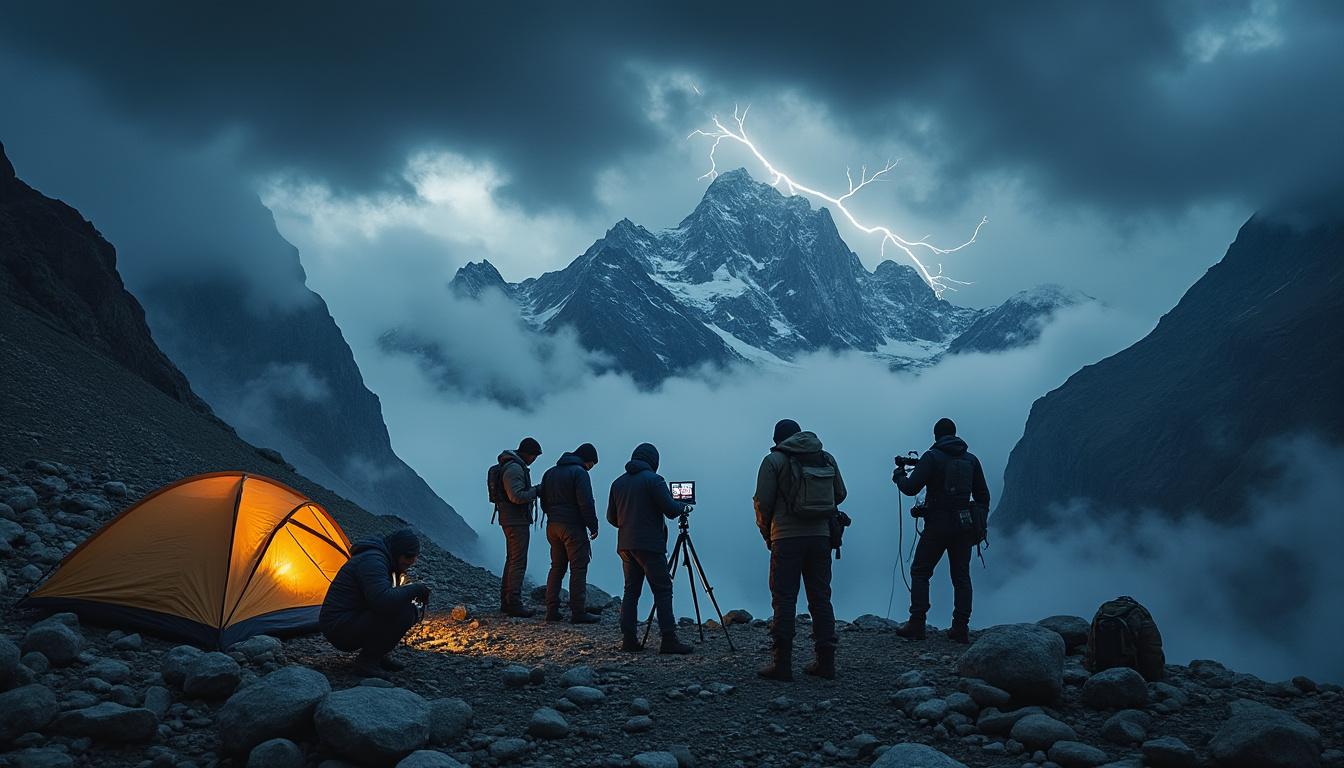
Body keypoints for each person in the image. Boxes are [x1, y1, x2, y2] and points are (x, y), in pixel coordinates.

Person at [753, 419, 847, 681]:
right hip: (821, 537)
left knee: (784, 599)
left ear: (777, 440)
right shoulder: (824, 457)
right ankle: (825, 662)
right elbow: (840, 494)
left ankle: (782, 665)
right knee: (820, 598)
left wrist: (768, 533)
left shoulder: (773, 461)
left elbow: (762, 502)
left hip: (786, 537)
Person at [892, 418, 990, 644]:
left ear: (936, 435)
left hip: (937, 524)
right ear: (955, 434)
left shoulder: (931, 457)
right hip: (964, 525)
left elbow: (910, 488)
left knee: (921, 571)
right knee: (961, 576)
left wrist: (899, 476)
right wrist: (977, 518)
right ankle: (960, 628)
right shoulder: (971, 460)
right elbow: (983, 496)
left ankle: (917, 623)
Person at [606, 442, 693, 655]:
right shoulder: (655, 481)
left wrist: (628, 524)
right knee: (663, 590)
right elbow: (671, 510)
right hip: (650, 546)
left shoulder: (617, 483)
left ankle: (629, 640)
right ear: (654, 461)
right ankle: (669, 640)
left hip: (626, 545)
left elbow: (611, 517)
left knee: (631, 591)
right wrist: (683, 506)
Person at [319, 527, 429, 676]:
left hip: (348, 619)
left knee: (403, 606)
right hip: (339, 627)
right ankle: (367, 662)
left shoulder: (383, 559)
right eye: (406, 562)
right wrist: (416, 589)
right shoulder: (373, 561)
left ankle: (379, 655)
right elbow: (382, 600)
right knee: (405, 611)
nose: (407, 567)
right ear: (398, 553)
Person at [541, 442, 602, 624]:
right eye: (592, 464)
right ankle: (578, 612)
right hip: (573, 527)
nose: (591, 468)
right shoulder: (579, 473)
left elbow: (543, 499)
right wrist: (593, 525)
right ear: (587, 460)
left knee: (557, 566)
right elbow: (586, 502)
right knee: (578, 568)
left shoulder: (550, 472)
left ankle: (551, 610)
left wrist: (553, 515)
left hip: (552, 526)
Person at [494, 437, 543, 617]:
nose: (534, 460)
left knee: (512, 559)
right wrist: (536, 491)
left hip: (510, 519)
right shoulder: (514, 468)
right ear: (527, 454)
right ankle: (513, 602)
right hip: (516, 520)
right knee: (518, 561)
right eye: (534, 456)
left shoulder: (510, 465)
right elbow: (516, 496)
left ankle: (506, 601)